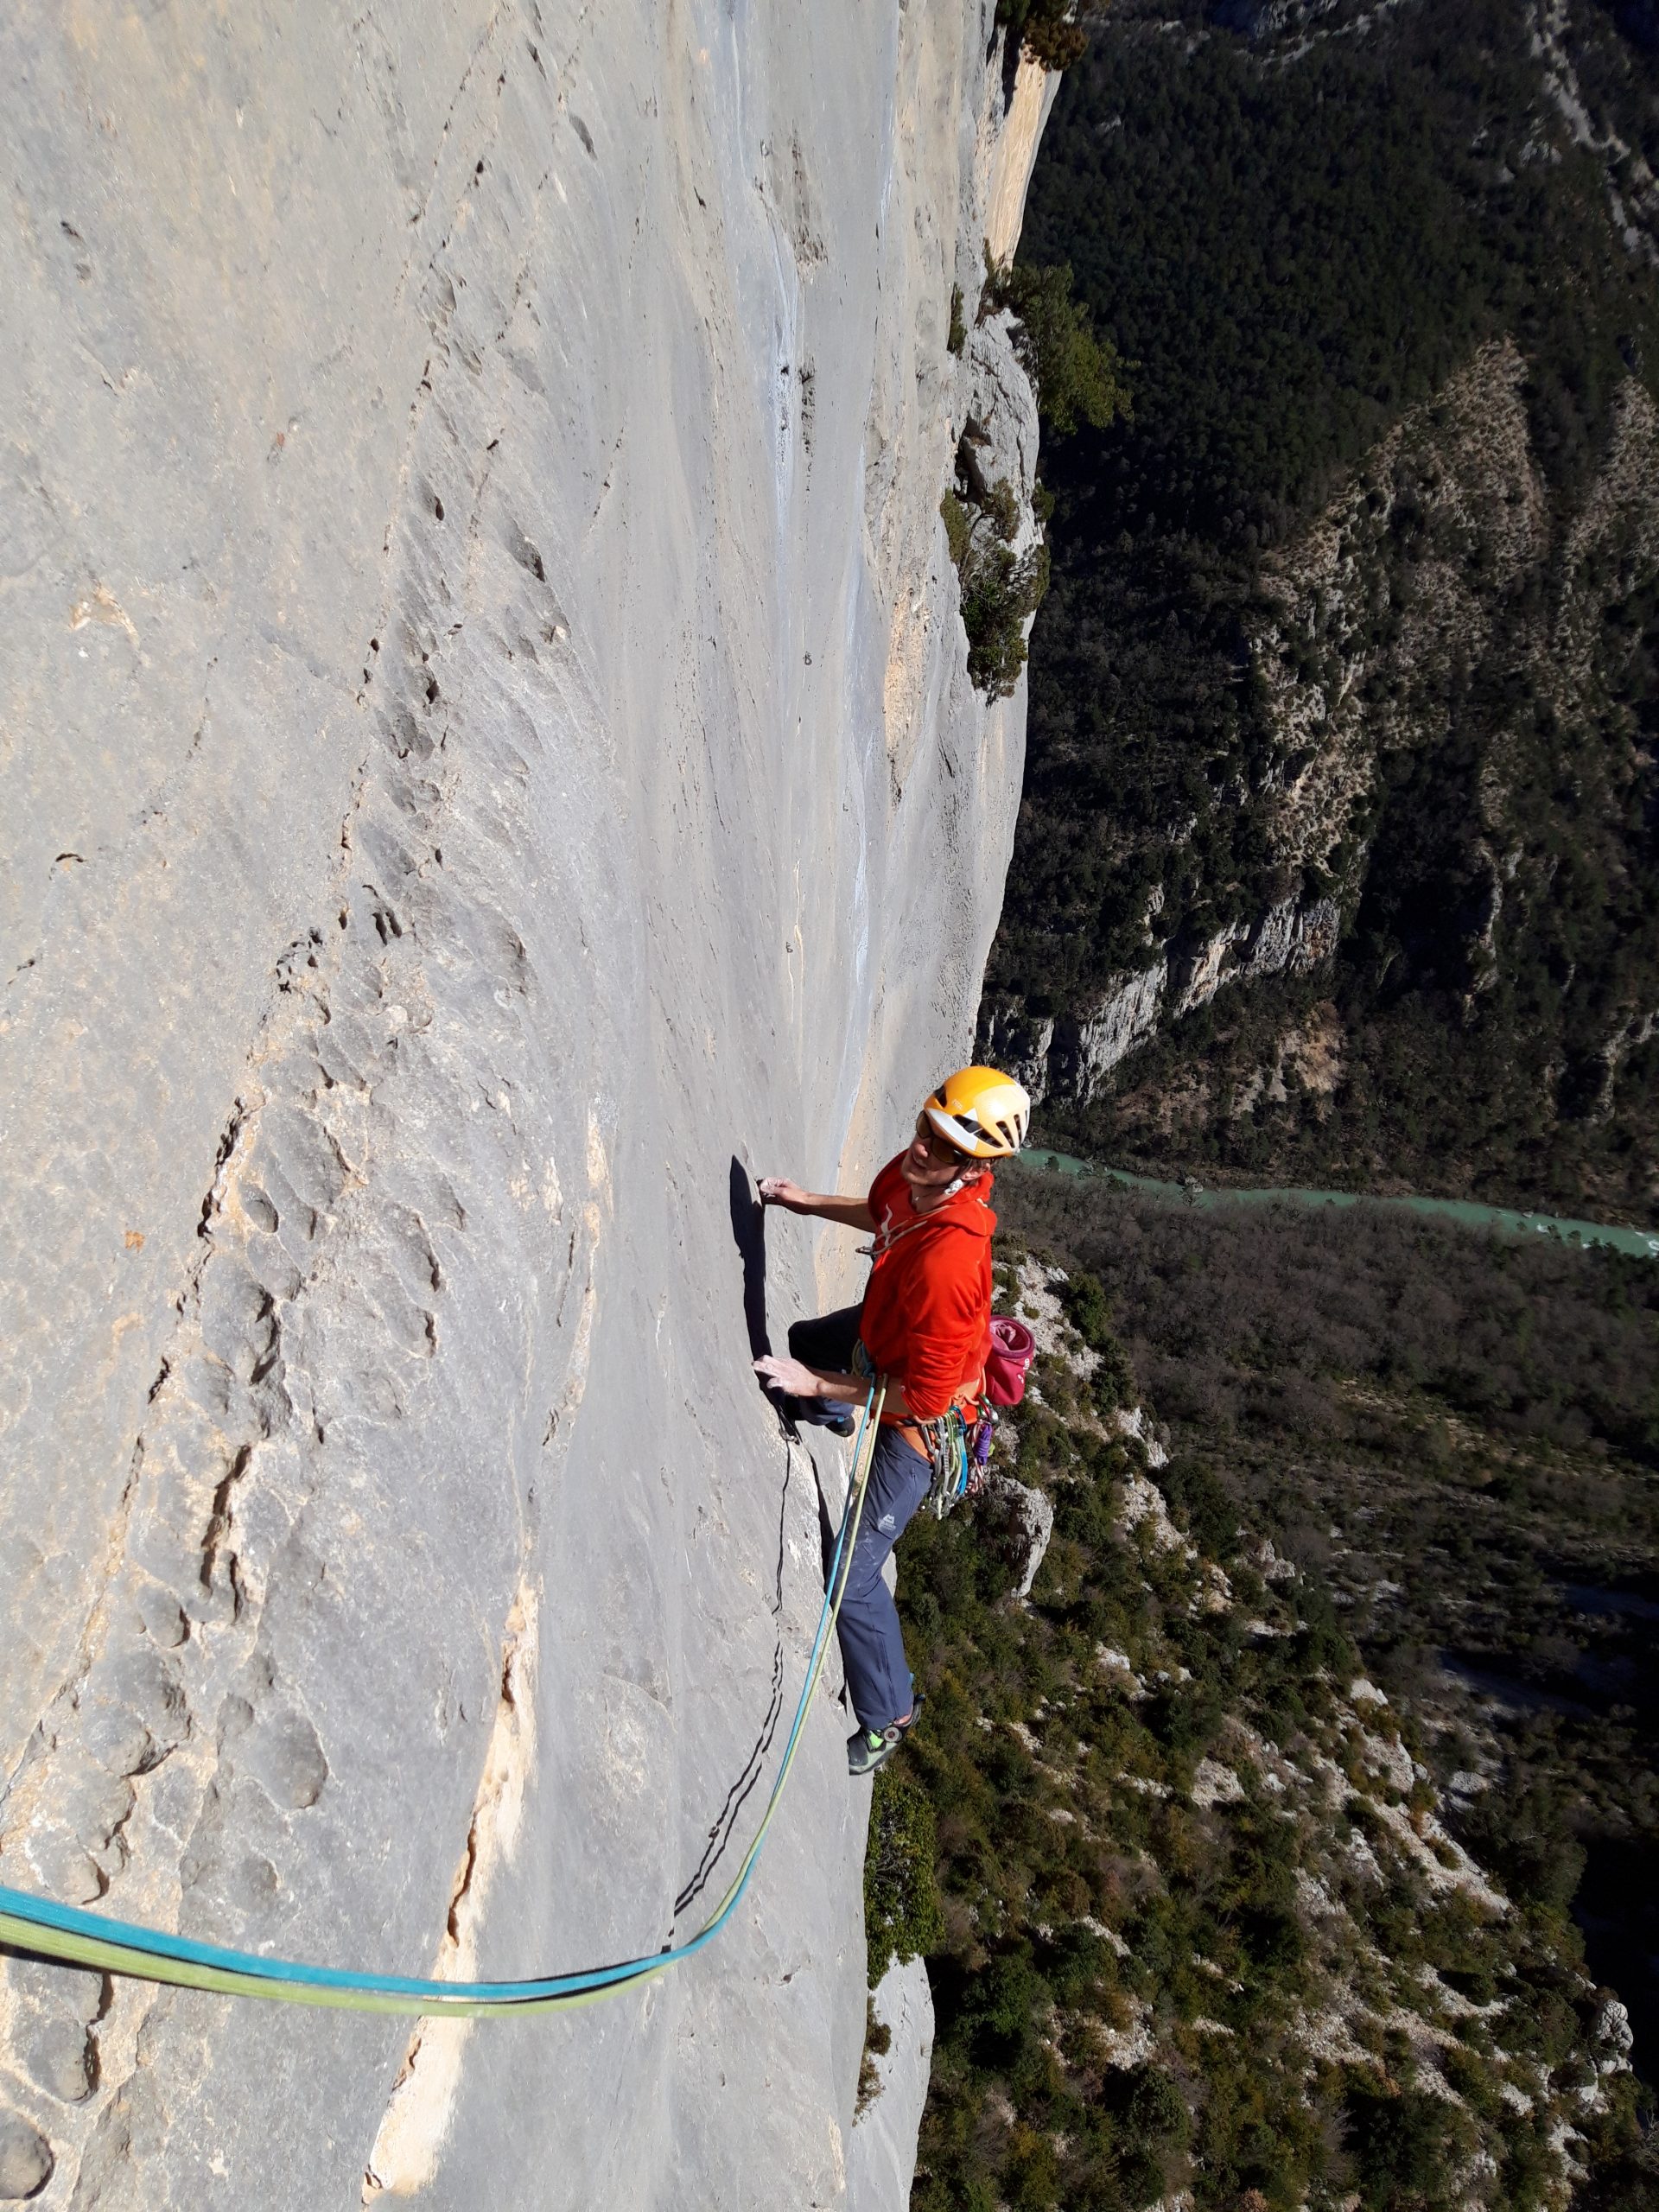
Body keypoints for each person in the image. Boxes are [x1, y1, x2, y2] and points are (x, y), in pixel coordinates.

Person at [754, 1066, 1030, 1776]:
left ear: (974, 1168)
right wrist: (806, 1202)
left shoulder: (950, 1262)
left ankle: (889, 1714)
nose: (921, 1149)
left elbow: (928, 1402)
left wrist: (820, 1385)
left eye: (942, 1146)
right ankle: (834, 1411)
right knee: (804, 1341)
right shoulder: (917, 1178)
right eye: (923, 1129)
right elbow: (879, 1211)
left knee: (852, 1574)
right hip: (882, 1342)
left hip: (921, 1426)